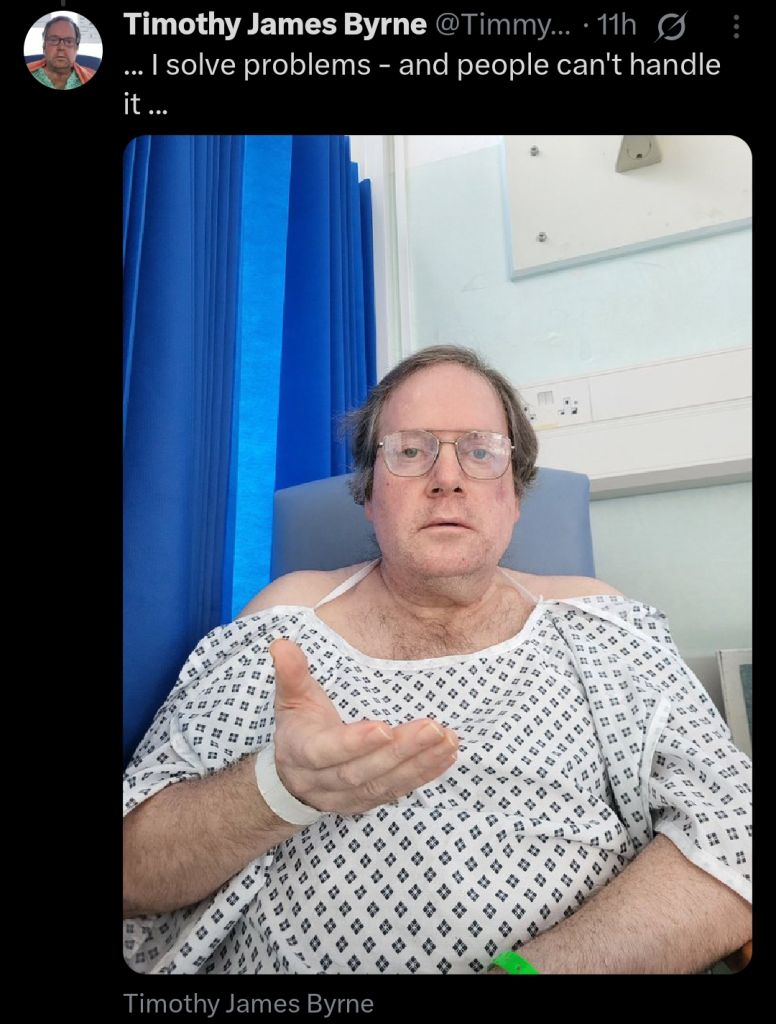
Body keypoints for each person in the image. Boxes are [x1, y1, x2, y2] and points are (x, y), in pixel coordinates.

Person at [123, 345, 751, 974]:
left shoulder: (598, 624)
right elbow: (133, 871)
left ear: (514, 496)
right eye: (410, 450)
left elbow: (734, 830)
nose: (446, 477)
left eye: (480, 451)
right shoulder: (286, 622)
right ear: (370, 495)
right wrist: (279, 788)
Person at [27, 16, 95, 90]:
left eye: (69, 41)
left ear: (76, 48)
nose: (61, 47)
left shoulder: (91, 76)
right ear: (44, 46)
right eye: (53, 40)